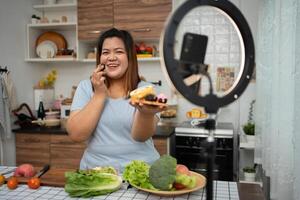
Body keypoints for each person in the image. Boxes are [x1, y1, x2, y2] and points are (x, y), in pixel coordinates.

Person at [66, 28, 166, 172]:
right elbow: (76, 135)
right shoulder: (86, 87)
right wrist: (99, 94)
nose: (111, 57)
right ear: (99, 58)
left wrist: (146, 113)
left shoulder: (145, 90)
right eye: (106, 52)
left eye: (119, 51)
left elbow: (140, 137)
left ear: (130, 56)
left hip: (140, 174)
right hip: (96, 173)